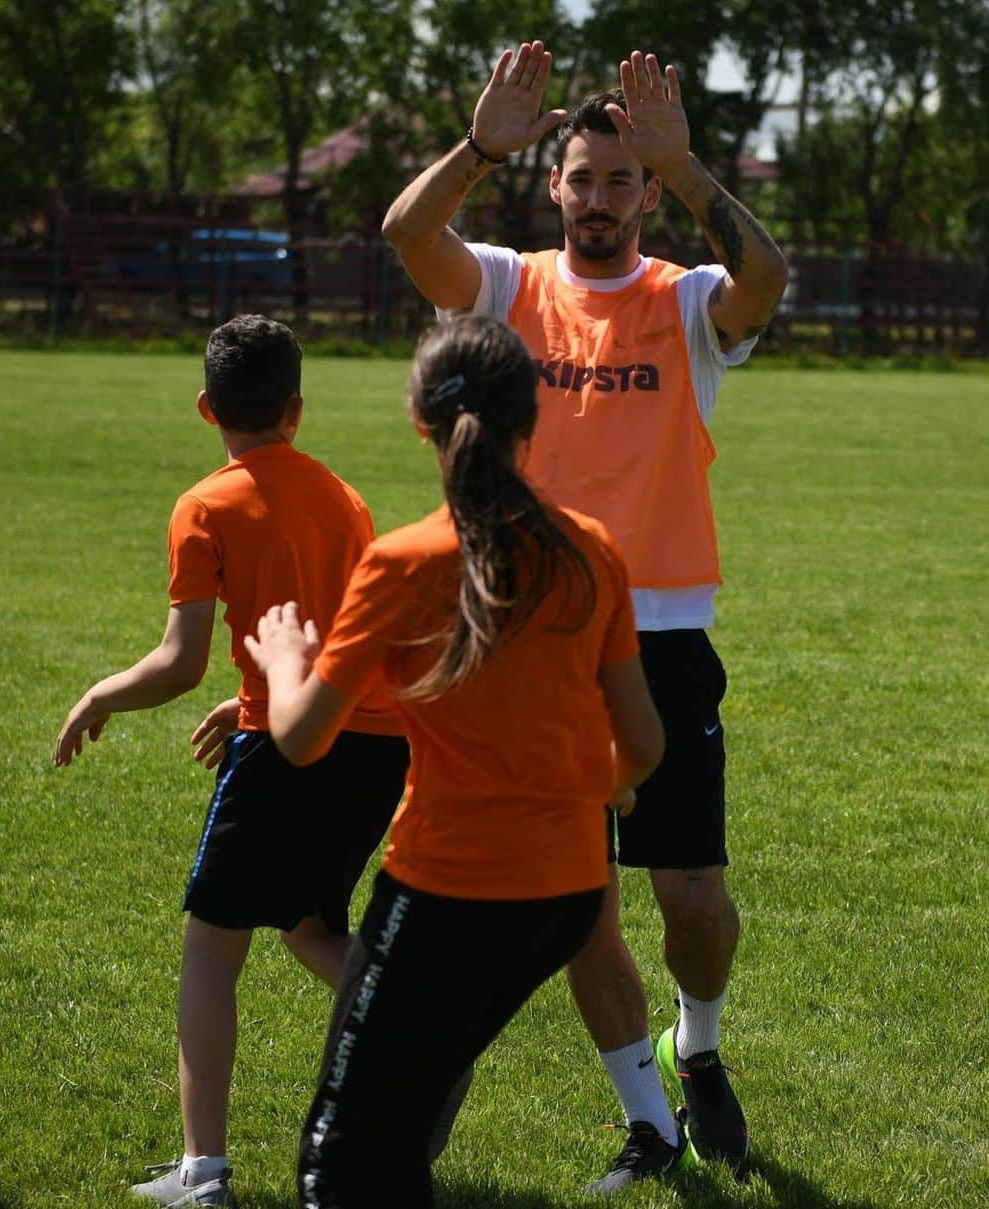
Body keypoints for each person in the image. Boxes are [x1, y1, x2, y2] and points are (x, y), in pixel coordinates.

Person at [381, 40, 788, 1190]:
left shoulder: (690, 298)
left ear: (647, 194)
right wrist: (478, 148)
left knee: (693, 897)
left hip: (662, 637)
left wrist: (696, 168)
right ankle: (649, 1122)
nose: (599, 198)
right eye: (581, 178)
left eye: (622, 181)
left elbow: (769, 282)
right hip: (533, 636)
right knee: (584, 904)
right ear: (553, 186)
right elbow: (408, 240)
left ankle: (697, 1045)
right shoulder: (511, 286)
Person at [241, 314, 665, 1208]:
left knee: (342, 1154)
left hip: (447, 893)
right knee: (404, 1105)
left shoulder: (403, 561)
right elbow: (645, 745)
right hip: (567, 893)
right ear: (532, 419)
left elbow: (304, 737)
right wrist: (607, 783)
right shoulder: (592, 549)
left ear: (419, 421)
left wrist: (285, 658)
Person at [53, 315, 409, 1208]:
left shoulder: (205, 504)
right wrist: (251, 687)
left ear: (208, 406)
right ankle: (416, 1037)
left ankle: (202, 1173)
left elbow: (177, 661)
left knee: (212, 948)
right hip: (371, 741)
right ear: (296, 407)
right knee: (304, 922)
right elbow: (340, 635)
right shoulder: (344, 495)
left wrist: (102, 693)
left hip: (284, 747)